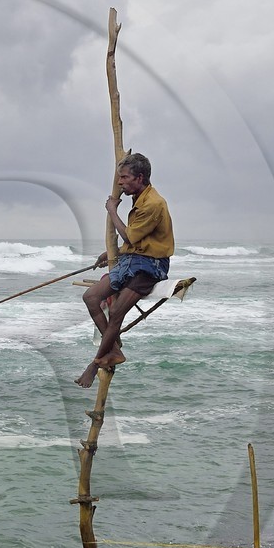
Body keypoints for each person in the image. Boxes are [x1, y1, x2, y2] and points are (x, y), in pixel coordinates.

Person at [77, 152, 173, 387]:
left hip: (151, 265)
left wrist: (112, 210)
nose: (120, 183)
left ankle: (96, 361)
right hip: (132, 259)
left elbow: (130, 235)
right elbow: (136, 241)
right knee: (91, 297)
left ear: (140, 178)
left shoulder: (153, 204)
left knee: (117, 312)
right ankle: (114, 350)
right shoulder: (139, 198)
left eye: (124, 178)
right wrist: (112, 253)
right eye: (119, 177)